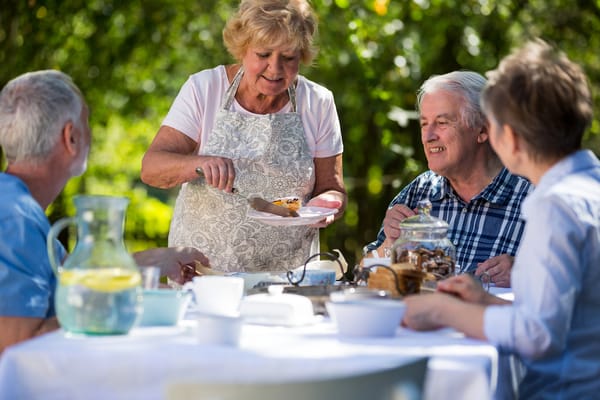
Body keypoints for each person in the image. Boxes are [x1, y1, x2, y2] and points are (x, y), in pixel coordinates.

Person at [402, 39, 600, 398]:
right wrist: (486, 301)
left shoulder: (554, 205)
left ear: (508, 136)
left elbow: (537, 336)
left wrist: (440, 309)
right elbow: (565, 317)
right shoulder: (590, 184)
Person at [0, 70, 209, 354]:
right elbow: (16, 347)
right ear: (71, 137)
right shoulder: (14, 218)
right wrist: (124, 291)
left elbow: (72, 283)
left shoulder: (16, 205)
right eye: (87, 123)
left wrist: (143, 264)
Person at [140, 0, 346, 273]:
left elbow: (333, 188)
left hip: (288, 278)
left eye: (288, 57)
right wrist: (198, 163)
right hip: (204, 274)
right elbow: (151, 168)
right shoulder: (204, 89)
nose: (275, 69)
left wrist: (328, 204)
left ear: (302, 55)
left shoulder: (318, 102)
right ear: (242, 49)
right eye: (263, 55)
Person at [364, 71, 532, 287]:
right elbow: (365, 278)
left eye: (442, 122)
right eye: (424, 124)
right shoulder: (419, 192)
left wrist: (525, 273)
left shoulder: (533, 197)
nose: (428, 136)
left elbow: (577, 289)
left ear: (483, 130)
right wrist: (390, 243)